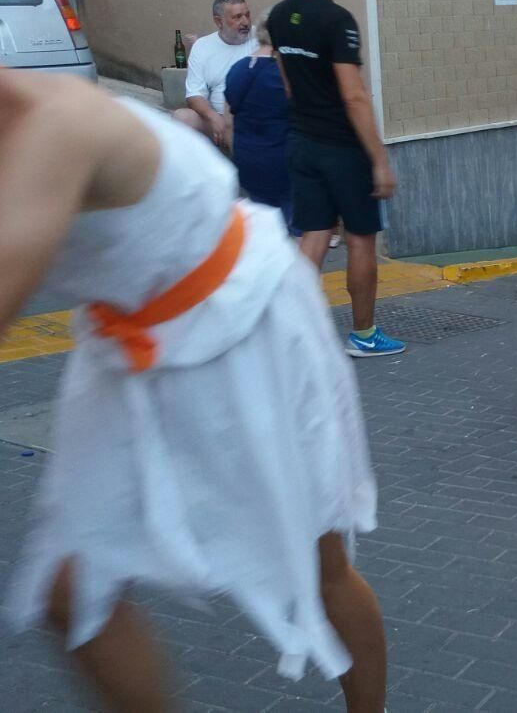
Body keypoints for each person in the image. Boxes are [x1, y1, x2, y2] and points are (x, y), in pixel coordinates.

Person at [0, 70, 386, 712]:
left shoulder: (56, 124)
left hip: (245, 322)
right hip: (129, 344)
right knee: (71, 589)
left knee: (319, 562)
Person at [267, 0, 404, 358]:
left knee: (313, 233)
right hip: (343, 149)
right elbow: (354, 96)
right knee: (361, 238)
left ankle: (290, 333)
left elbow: (288, 84)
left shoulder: (279, 15)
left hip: (301, 141)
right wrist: (379, 160)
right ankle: (364, 335)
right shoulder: (337, 21)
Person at [225, 19, 293, 228]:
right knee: (296, 228)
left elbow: (228, 123)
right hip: (284, 162)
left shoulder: (237, 69)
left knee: (263, 226)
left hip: (249, 161)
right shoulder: (286, 73)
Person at [178, 0, 259, 146]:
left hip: (254, 119)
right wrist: (213, 116)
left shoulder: (260, 37)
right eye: (237, 17)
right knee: (182, 118)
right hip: (220, 121)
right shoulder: (203, 47)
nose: (246, 22)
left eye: (247, 15)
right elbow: (194, 94)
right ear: (219, 21)